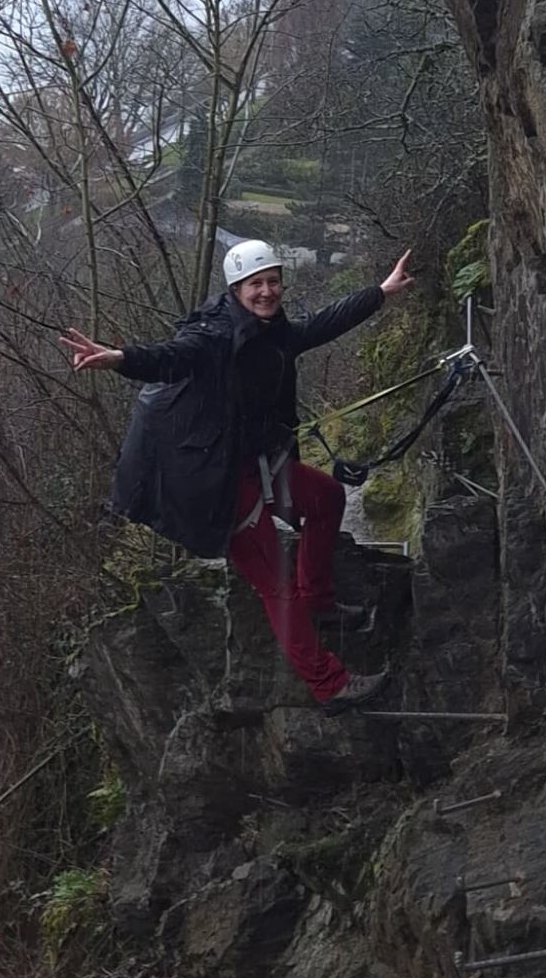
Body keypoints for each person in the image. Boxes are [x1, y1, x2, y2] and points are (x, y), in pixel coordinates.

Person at [60, 241, 414, 711]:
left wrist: (381, 293)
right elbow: (171, 356)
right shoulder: (214, 336)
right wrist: (119, 358)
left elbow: (320, 326)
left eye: (272, 281)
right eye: (255, 285)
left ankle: (319, 603)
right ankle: (329, 685)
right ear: (235, 290)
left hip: (254, 464)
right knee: (275, 582)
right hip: (212, 479)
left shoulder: (274, 330)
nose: (267, 292)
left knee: (327, 497)